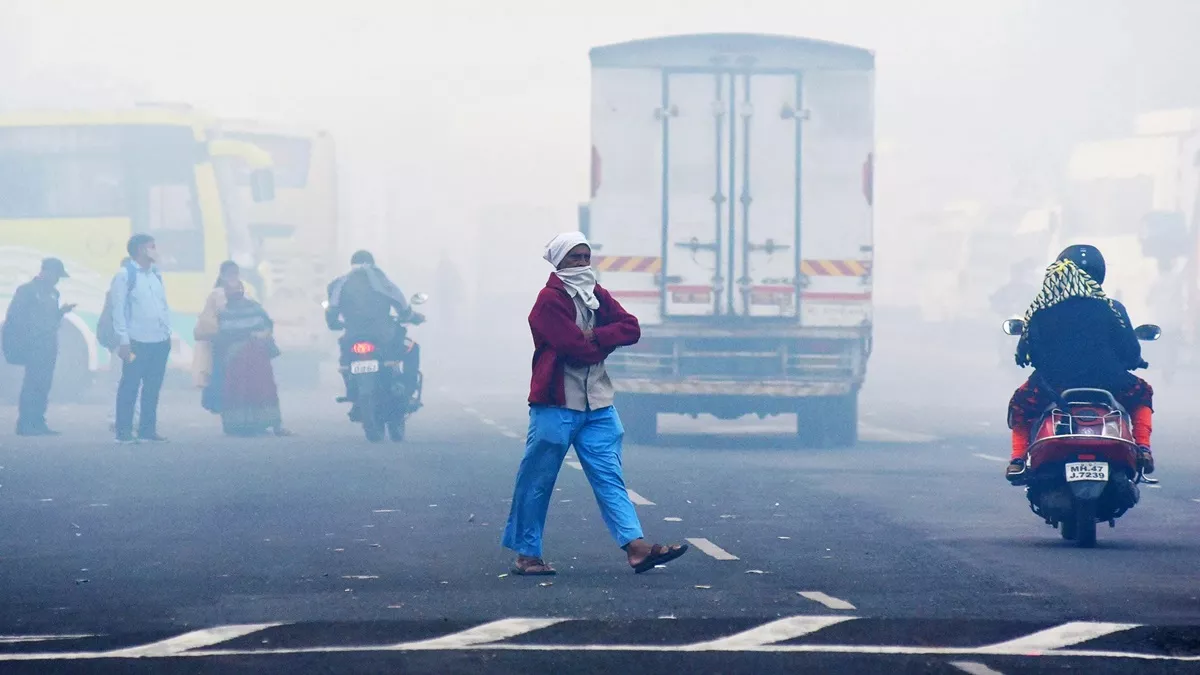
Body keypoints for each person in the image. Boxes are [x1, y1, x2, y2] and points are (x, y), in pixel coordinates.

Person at [501, 232, 689, 575]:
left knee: (609, 476)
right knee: (537, 480)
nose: (582, 263)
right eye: (574, 257)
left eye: (586, 257)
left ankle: (636, 547)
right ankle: (526, 554)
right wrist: (600, 338)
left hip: (599, 404)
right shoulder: (548, 301)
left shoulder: (595, 294)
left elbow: (631, 328)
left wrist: (596, 336)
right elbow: (578, 349)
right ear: (558, 262)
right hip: (556, 404)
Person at [1006, 244, 1154, 480]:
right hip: (1110, 381)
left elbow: (1027, 351)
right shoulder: (1112, 308)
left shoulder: (1043, 307)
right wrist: (1133, 361)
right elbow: (1129, 349)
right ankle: (1144, 449)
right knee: (1142, 393)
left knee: (1020, 405)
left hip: (1052, 384)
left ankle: (1018, 459)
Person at [325, 250, 424, 417]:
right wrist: (412, 316)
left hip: (352, 336)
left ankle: (353, 393)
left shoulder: (341, 283)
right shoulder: (380, 280)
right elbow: (400, 303)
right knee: (412, 348)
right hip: (383, 334)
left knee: (345, 363)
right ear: (372, 263)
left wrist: (334, 323)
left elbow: (332, 309)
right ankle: (407, 392)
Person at [2, 258, 74, 435]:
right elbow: (15, 317)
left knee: (44, 384)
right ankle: (25, 423)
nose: (57, 279)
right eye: (56, 275)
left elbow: (51, 319)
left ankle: (38, 421)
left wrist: (61, 313)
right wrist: (26, 337)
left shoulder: (54, 294)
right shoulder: (27, 291)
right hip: (32, 345)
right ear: (46, 272)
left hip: (48, 346)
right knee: (31, 384)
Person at [111, 234, 172, 443]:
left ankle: (147, 429)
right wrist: (123, 340)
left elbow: (162, 306)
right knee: (130, 385)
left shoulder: (155, 274)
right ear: (140, 250)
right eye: (152, 247)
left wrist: (167, 332)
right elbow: (117, 310)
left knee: (153, 387)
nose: (156, 250)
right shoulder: (125, 275)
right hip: (136, 341)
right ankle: (124, 431)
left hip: (160, 340)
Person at [208, 280, 288, 436]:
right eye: (232, 289)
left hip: (252, 356)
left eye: (237, 289)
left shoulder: (245, 309)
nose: (235, 292)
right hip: (240, 358)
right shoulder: (231, 311)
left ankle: (250, 424)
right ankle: (249, 424)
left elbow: (266, 327)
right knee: (246, 390)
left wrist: (260, 336)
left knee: (258, 389)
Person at [194, 261, 240, 404]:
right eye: (230, 273)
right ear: (223, 275)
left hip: (235, 340)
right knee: (221, 371)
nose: (233, 277)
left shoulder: (242, 290)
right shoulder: (216, 294)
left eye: (235, 273)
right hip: (221, 340)